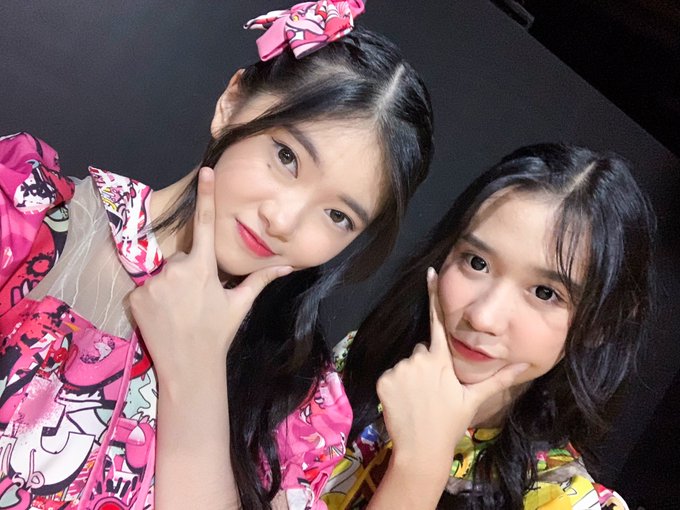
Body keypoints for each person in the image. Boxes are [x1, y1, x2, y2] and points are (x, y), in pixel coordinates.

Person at [0, 2, 434, 509]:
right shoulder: (30, 219)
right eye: (287, 157)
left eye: (338, 216)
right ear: (231, 102)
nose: (284, 220)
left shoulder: (301, 406)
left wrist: (198, 377)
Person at [323, 144, 655, 509]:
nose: (483, 317)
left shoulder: (569, 503)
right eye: (477, 262)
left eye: (545, 293)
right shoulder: (360, 360)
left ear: (600, 325)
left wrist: (421, 464)